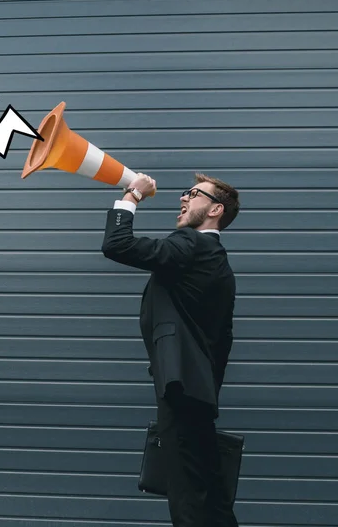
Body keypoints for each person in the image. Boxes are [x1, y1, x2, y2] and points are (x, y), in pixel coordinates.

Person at [102, 173, 241, 527]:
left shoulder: (191, 244)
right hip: (198, 393)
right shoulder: (220, 264)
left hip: (180, 391)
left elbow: (117, 245)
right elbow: (222, 341)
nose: (183, 199)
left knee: (187, 501)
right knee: (211, 496)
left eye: (193, 194)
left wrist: (132, 194)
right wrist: (207, 392)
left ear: (215, 209)